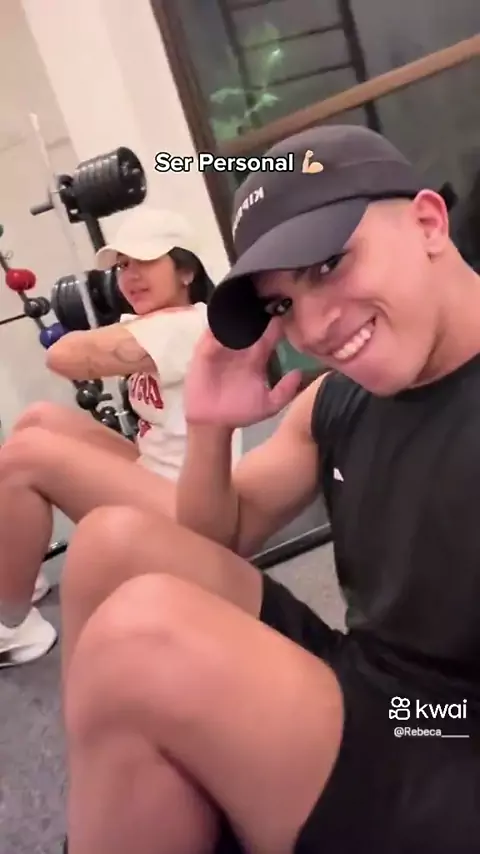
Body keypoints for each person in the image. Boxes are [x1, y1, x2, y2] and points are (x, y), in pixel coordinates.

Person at [60, 124, 480, 854]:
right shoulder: (335, 400)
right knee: (110, 546)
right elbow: (219, 537)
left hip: (452, 728)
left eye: (329, 264)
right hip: (370, 680)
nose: (312, 327)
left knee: (139, 644)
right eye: (282, 303)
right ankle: (130, 797)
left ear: (427, 223)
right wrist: (210, 425)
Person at [0, 206, 242, 668]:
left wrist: (102, 333)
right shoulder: (152, 324)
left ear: (186, 270)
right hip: (158, 478)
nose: (130, 276)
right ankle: (16, 575)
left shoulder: (189, 326)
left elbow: (62, 356)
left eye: (145, 261)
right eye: (124, 265)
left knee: (22, 459)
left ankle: (11, 628)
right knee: (37, 420)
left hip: (194, 511)